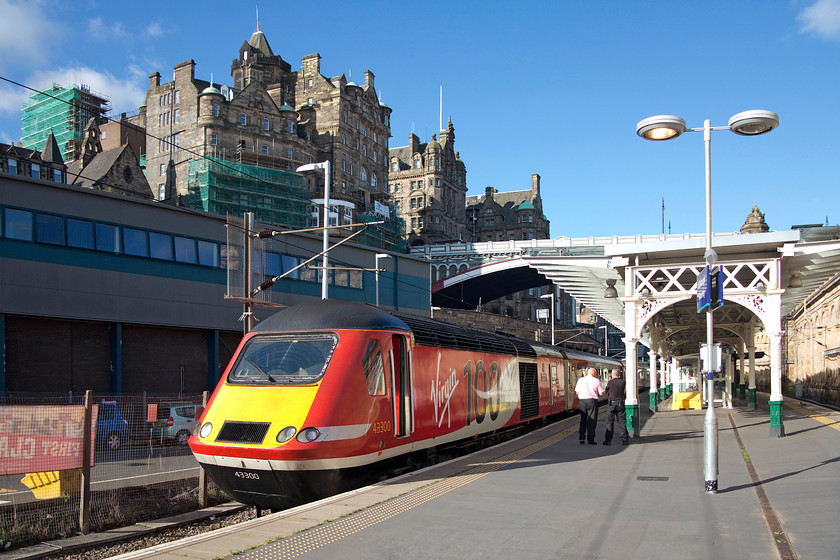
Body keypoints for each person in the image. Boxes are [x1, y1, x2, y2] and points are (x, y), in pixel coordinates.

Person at [575, 367, 604, 445]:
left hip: (582, 402)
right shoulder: (596, 381)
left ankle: (581, 438)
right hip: (592, 401)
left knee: (583, 420)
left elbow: (577, 392)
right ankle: (590, 440)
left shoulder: (580, 380)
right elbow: (601, 393)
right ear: (594, 373)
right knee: (591, 421)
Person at [604, 369, 629, 445]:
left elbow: (606, 391)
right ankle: (625, 440)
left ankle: (608, 440)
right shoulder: (623, 382)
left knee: (610, 422)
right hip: (620, 403)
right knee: (622, 422)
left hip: (612, 404)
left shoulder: (610, 382)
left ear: (613, 374)